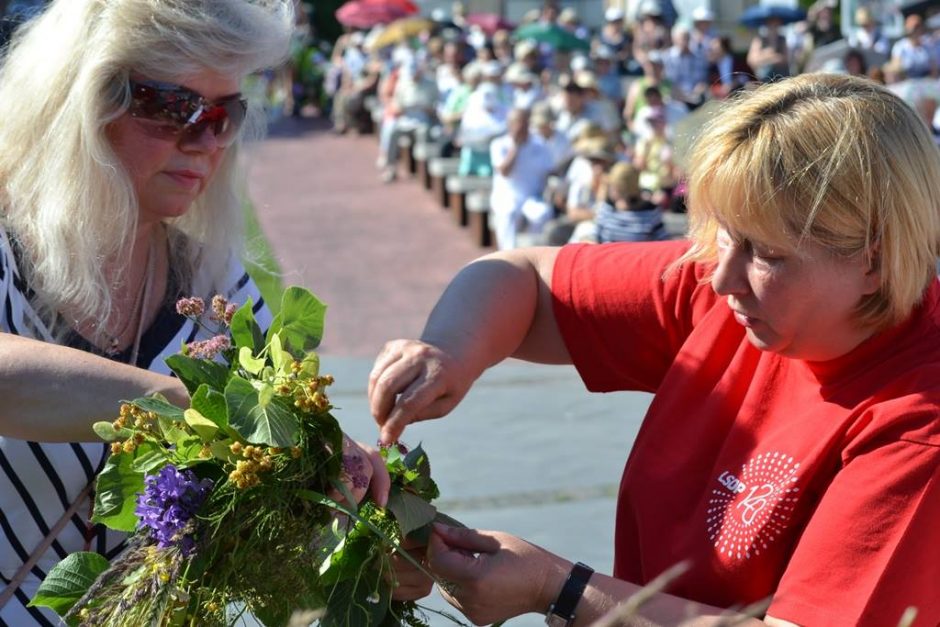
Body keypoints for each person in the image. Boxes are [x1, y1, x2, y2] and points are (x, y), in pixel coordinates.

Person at [368, 74, 940, 626]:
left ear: (874, 259)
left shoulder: (919, 425)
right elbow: (520, 277)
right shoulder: (732, 294)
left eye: (767, 253)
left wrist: (560, 589)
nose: (721, 279)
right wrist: (448, 350)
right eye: (724, 232)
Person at [0, 1, 403, 624]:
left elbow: (283, 453)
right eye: (172, 108)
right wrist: (197, 406)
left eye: (225, 114)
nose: (208, 140)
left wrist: (358, 525)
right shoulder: (7, 242)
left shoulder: (215, 283)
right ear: (80, 101)